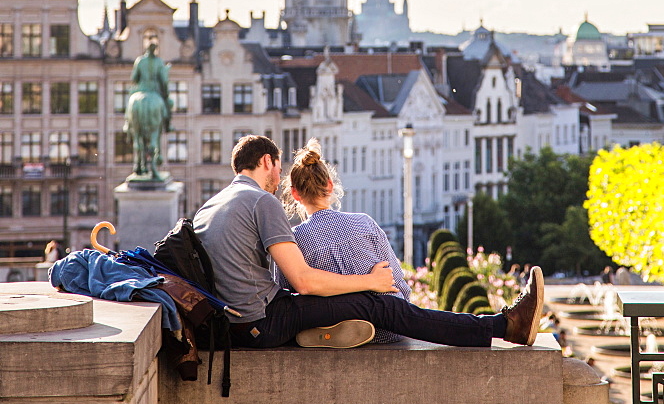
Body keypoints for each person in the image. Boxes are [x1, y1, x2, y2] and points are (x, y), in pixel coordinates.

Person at [193, 134, 544, 351]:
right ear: (267, 161)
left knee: (359, 304)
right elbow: (302, 281)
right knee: (381, 306)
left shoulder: (211, 205)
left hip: (234, 325)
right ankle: (504, 326)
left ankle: (322, 332)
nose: (276, 180)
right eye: (276, 168)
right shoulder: (260, 200)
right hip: (261, 323)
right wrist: (371, 282)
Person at [277, 139, 411, 343]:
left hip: (333, 324)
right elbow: (398, 282)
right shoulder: (365, 223)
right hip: (388, 329)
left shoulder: (295, 238)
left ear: (295, 194)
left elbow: (286, 293)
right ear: (329, 186)